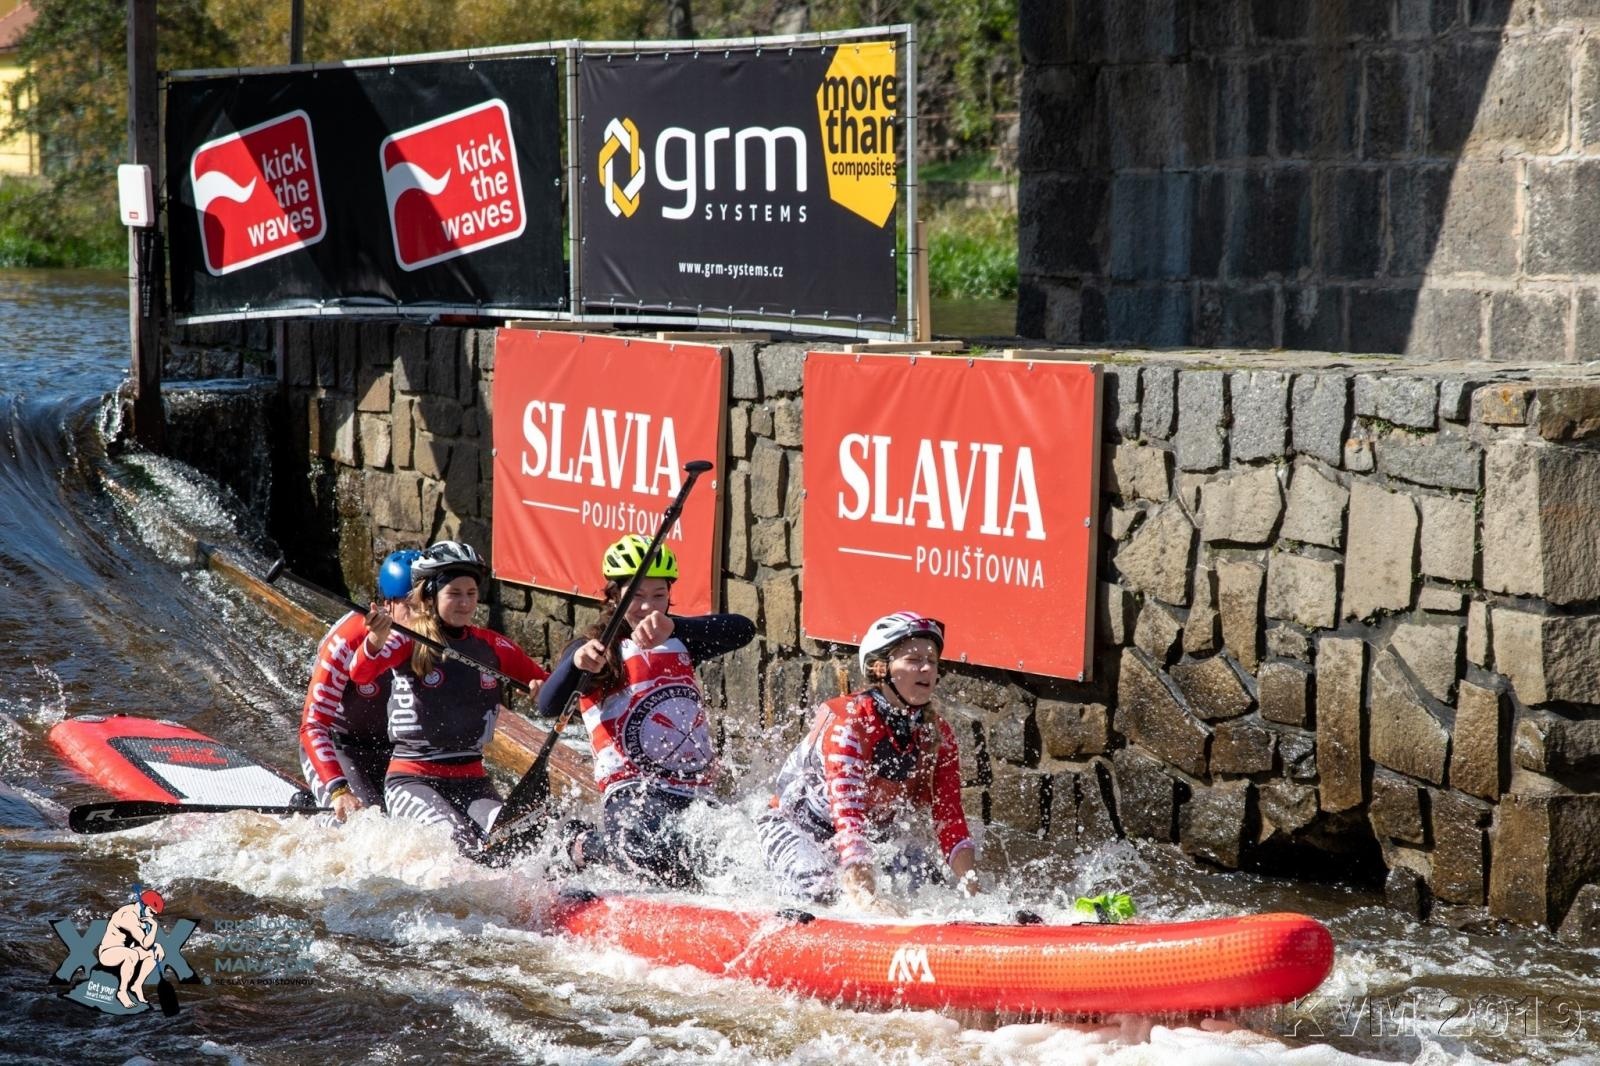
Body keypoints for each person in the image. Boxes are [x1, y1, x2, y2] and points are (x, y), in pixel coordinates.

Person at [537, 533, 754, 888]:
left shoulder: (679, 637)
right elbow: (547, 705)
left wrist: (679, 625)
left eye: (659, 595)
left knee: (730, 860)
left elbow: (744, 629)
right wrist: (576, 664)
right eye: (636, 596)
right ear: (613, 596)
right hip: (632, 790)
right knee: (647, 852)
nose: (649, 606)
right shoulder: (594, 647)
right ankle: (579, 844)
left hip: (695, 789)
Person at [758, 612, 979, 913]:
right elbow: (848, 821)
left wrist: (974, 892)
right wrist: (867, 901)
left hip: (874, 837)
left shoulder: (940, 736)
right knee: (820, 892)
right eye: (913, 659)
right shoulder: (849, 726)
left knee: (930, 887)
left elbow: (949, 818)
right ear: (880, 668)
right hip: (797, 828)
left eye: (932, 660)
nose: (927, 668)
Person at [351, 540, 549, 851]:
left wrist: (544, 692)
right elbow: (360, 673)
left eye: (471, 593)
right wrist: (376, 639)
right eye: (454, 594)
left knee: (514, 843)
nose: (465, 603)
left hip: (472, 780)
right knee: (456, 844)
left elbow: (548, 686)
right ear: (430, 597)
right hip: (412, 779)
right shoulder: (407, 640)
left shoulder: (492, 646)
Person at [298, 548, 419, 821]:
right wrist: (338, 788)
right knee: (368, 826)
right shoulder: (348, 639)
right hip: (342, 748)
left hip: (396, 752)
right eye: (410, 607)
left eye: (426, 607)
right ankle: (316, 808)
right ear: (388, 604)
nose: (420, 618)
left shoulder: (434, 635)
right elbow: (313, 724)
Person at [97, 889, 165, 1009]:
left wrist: (157, 946)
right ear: (143, 905)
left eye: (154, 914)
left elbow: (146, 944)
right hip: (108, 953)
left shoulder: (141, 915)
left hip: (128, 950)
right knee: (131, 955)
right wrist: (154, 927)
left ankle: (136, 985)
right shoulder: (128, 916)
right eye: (151, 912)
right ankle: (122, 992)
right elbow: (145, 944)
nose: (151, 916)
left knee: (156, 952)